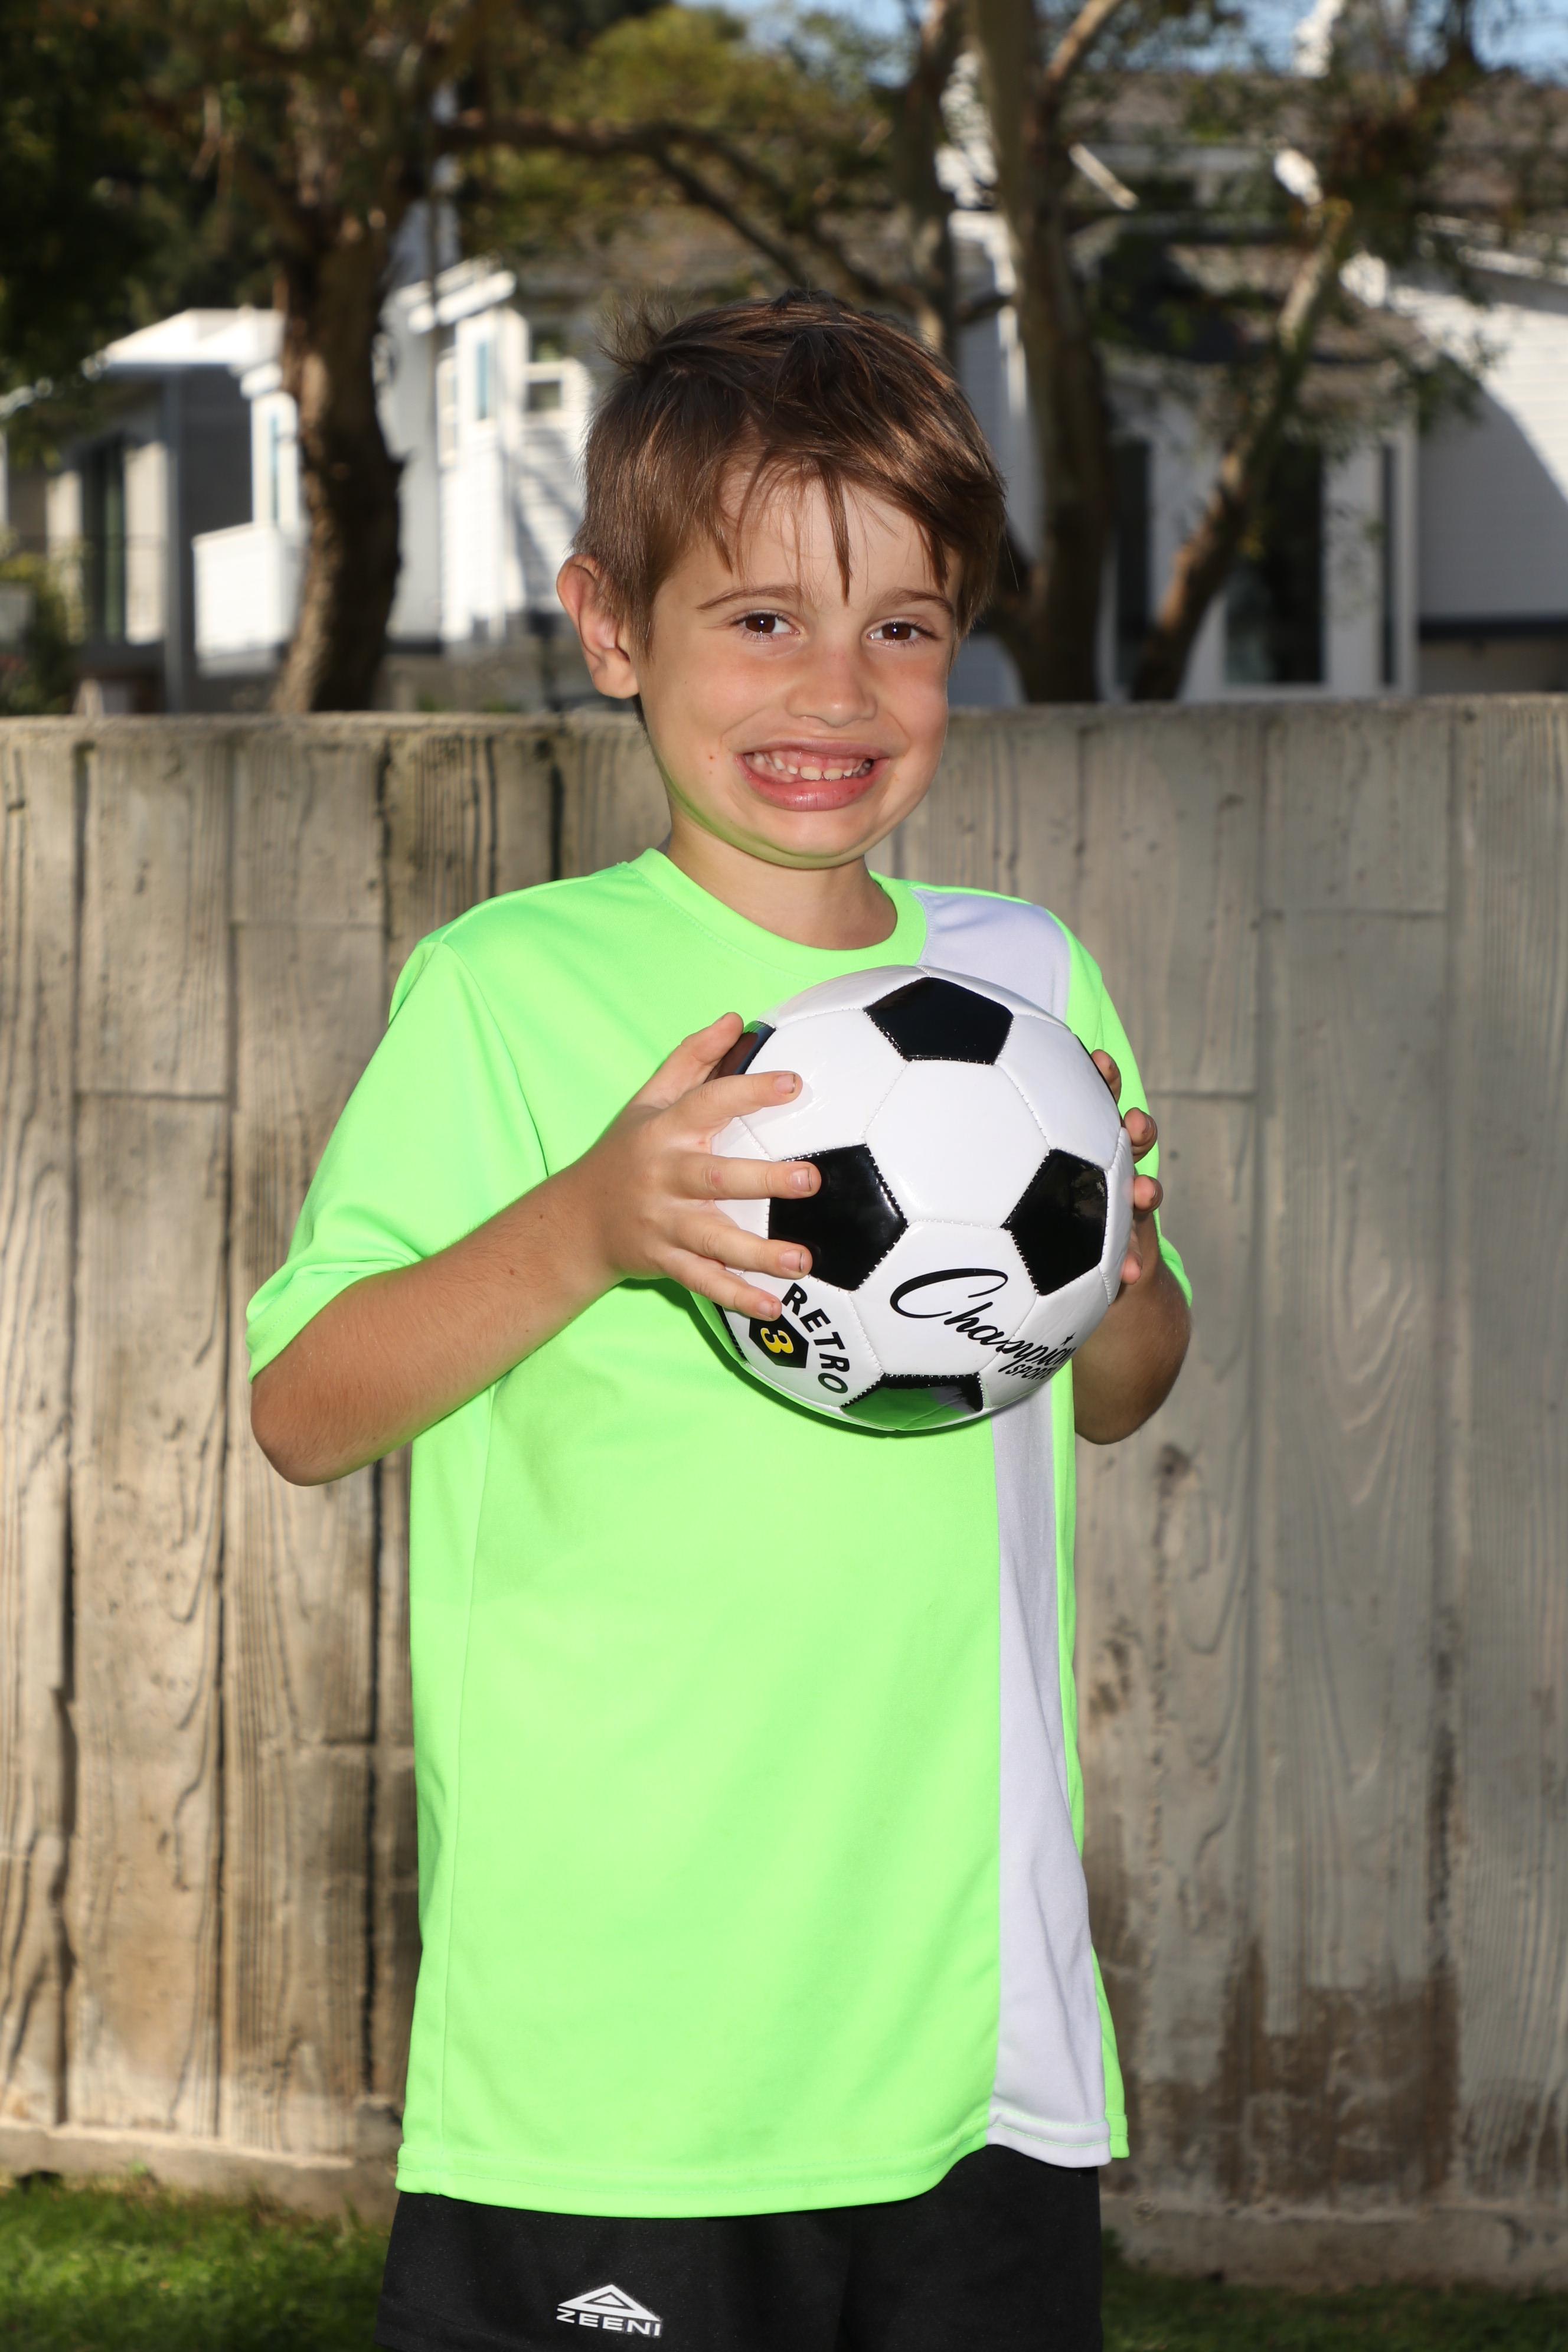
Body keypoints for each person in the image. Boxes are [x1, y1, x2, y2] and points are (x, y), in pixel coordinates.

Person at [249, 291, 1191, 2352]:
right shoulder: (510, 990)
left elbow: (1126, 1387)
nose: (835, 688)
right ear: (613, 629)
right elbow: (306, 1408)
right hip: (620, 2055)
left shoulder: (1028, 983)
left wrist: (1112, 1258)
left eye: (904, 627)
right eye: (761, 618)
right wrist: (594, 1223)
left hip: (973, 2038)